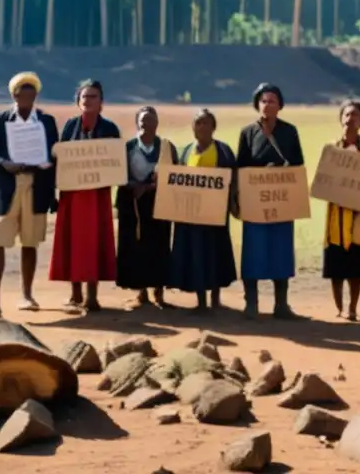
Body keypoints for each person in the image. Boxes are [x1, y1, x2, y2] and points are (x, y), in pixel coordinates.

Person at [0, 72, 59, 320]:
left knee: (30, 241)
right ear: (13, 95)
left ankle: (27, 294)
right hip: (7, 187)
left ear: (36, 94)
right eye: (21, 92)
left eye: (30, 92)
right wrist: (3, 163)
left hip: (37, 186)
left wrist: (50, 176)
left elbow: (55, 155)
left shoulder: (46, 121)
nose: (26, 96)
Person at [48, 79, 121, 314]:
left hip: (97, 197)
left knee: (93, 243)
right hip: (72, 195)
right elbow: (60, 158)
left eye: (93, 97)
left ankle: (92, 297)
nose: (88, 101)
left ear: (102, 102)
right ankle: (74, 293)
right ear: (78, 102)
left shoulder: (109, 128)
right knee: (72, 242)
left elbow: (116, 162)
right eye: (85, 97)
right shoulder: (70, 126)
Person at [235, 82, 306, 320]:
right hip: (255, 203)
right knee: (253, 252)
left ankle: (281, 305)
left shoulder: (289, 132)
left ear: (280, 105)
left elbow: (298, 164)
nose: (267, 105)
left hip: (281, 201)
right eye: (263, 101)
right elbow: (240, 167)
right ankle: (251, 304)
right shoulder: (247, 133)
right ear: (257, 104)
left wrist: (279, 170)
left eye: (272, 101)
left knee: (280, 251)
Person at [169, 108, 238, 313]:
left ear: (214, 127)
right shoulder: (186, 152)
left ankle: (215, 300)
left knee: (215, 254)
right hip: (191, 216)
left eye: (206, 123)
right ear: (192, 128)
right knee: (196, 255)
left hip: (215, 215)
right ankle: (201, 302)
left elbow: (233, 179)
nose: (202, 127)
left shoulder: (223, 151)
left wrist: (233, 201)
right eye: (198, 123)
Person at [322, 100, 360, 322]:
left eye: (355, 115)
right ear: (340, 119)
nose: (350, 119)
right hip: (336, 214)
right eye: (346, 114)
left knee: (356, 264)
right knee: (336, 264)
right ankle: (338, 307)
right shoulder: (332, 149)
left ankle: (353, 308)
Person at [116, 106, 178, 307]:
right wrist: (136, 187)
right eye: (142, 120)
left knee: (159, 246)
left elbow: (175, 176)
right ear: (137, 122)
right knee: (137, 246)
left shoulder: (167, 148)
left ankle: (159, 292)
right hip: (134, 205)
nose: (145, 123)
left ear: (157, 123)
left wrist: (151, 187)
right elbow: (119, 175)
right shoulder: (128, 148)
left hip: (159, 204)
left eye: (150, 119)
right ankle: (141, 291)